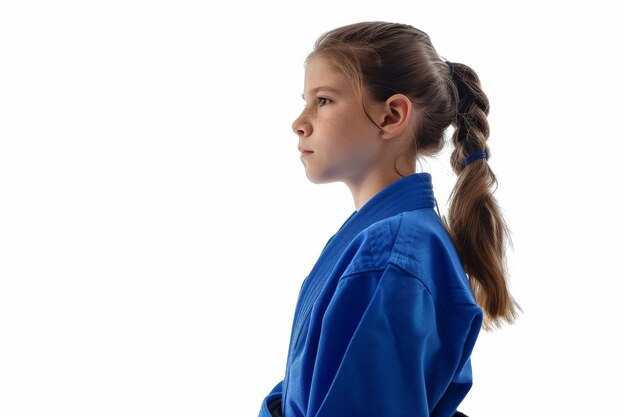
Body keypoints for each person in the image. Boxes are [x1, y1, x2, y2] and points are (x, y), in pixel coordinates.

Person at [258, 21, 519, 417]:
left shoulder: (389, 254)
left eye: (324, 100)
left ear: (392, 115)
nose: (299, 122)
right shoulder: (387, 237)